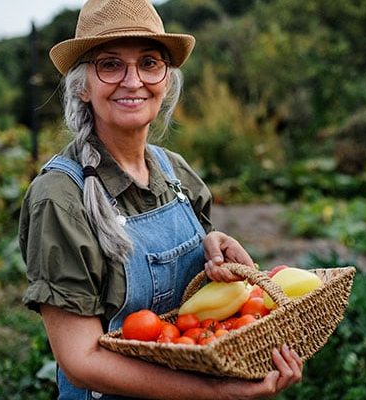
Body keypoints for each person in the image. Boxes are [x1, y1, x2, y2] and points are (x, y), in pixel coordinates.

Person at [18, 0, 304, 398]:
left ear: (166, 80)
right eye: (110, 64)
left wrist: (212, 248)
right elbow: (80, 361)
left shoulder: (175, 172)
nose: (133, 80)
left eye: (149, 63)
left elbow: (198, 304)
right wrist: (213, 392)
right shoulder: (60, 198)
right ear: (83, 86)